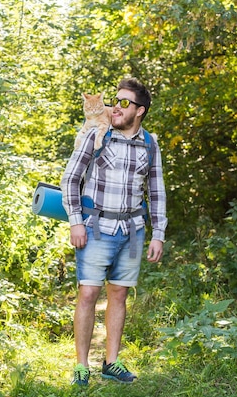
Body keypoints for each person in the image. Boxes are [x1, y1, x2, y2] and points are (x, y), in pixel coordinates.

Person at [60, 77, 167, 386]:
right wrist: (76, 221)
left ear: (140, 111)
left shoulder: (150, 143)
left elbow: (157, 191)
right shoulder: (98, 135)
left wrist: (158, 233)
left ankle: (111, 362)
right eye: (115, 101)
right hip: (95, 226)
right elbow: (70, 180)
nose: (114, 107)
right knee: (88, 293)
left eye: (123, 103)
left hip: (132, 230)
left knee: (119, 295)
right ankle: (82, 366)